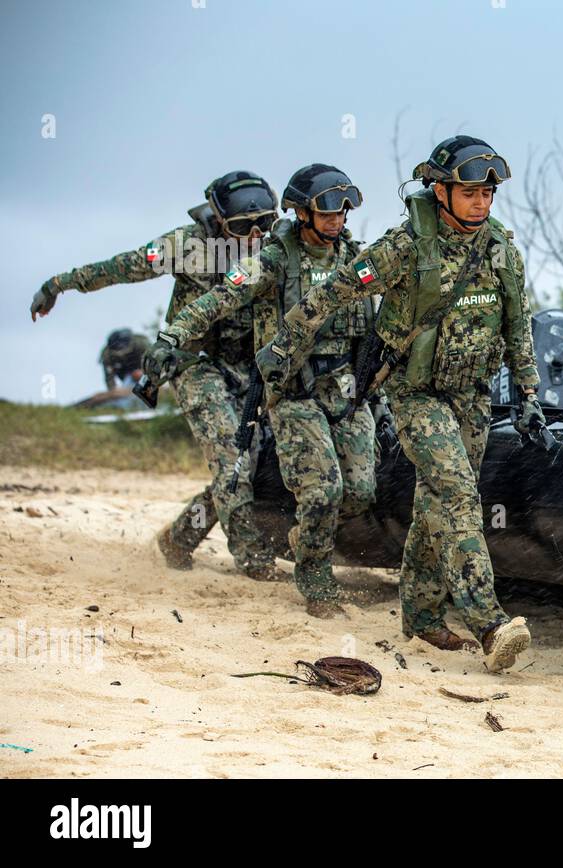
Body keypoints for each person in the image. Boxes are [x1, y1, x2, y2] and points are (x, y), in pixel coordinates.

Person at [255, 136, 537, 671]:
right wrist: (285, 345)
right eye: (471, 192)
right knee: (456, 494)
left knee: (436, 501)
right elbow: (335, 290)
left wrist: (527, 394)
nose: (482, 203)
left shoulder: (501, 249)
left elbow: (518, 325)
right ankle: (490, 622)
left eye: (489, 193)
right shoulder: (405, 247)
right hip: (416, 392)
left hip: (472, 395)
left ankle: (423, 618)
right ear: (440, 189)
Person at [145, 165, 376, 619]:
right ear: (301, 212)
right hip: (291, 393)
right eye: (327, 209)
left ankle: (196, 535)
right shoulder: (273, 259)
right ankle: (315, 580)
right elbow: (219, 300)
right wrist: (172, 337)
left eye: (345, 209)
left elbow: (391, 311)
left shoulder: (356, 261)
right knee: (315, 487)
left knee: (361, 490)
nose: (338, 218)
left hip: (344, 391)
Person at [31, 171, 281, 579]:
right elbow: (122, 267)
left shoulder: (277, 247)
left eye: (264, 224)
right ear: (218, 220)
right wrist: (59, 285)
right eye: (241, 227)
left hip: (252, 367)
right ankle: (255, 564)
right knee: (231, 460)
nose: (254, 235)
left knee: (250, 464)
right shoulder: (185, 245)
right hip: (195, 364)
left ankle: (179, 539)